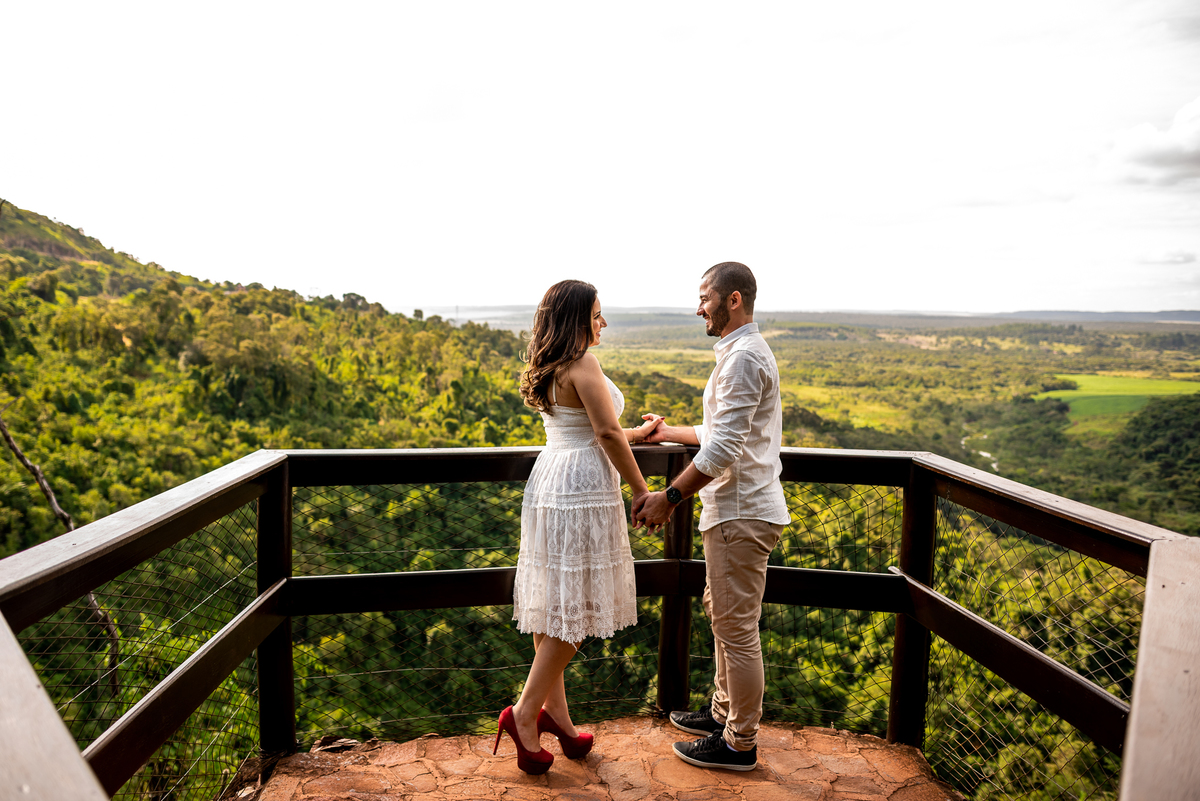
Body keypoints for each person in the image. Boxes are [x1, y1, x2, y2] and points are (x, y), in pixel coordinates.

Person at [495, 279, 664, 774]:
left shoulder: (551, 365)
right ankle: (524, 714)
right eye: (595, 315)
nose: (602, 322)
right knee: (581, 605)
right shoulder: (583, 362)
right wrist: (640, 490)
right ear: (575, 320)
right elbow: (605, 432)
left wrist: (638, 434)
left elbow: (591, 428)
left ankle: (560, 721)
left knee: (555, 603)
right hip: (581, 489)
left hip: (551, 479)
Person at [633, 261, 790, 772]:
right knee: (724, 615)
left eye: (705, 298)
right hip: (738, 511)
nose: (698, 308)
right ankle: (722, 714)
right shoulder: (743, 352)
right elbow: (718, 431)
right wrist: (667, 433)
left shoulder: (743, 358)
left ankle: (739, 743)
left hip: (741, 512)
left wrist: (669, 497)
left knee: (738, 629)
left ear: (733, 299)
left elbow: (723, 449)